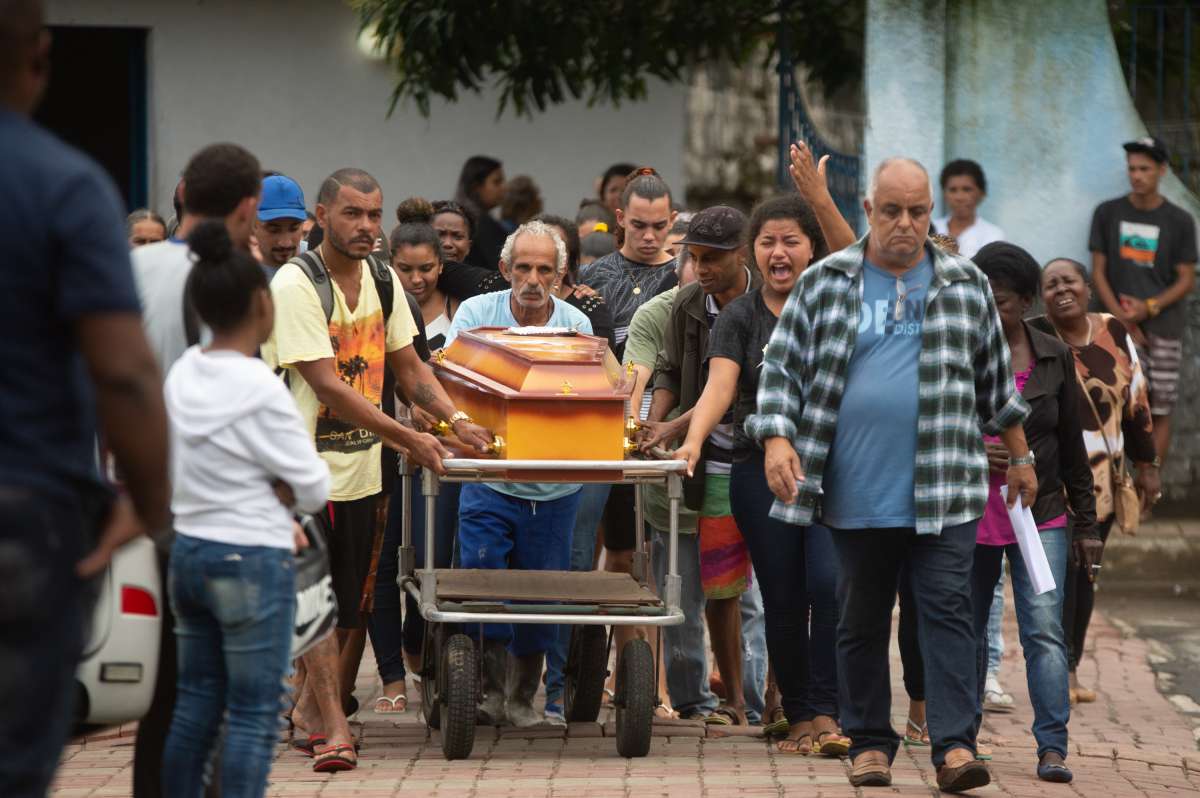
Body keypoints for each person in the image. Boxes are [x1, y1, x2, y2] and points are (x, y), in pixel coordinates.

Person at [747, 157, 1037, 792]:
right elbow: (781, 370)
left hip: (946, 486)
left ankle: (955, 748)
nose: (905, 223)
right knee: (860, 619)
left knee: (948, 616)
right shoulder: (825, 282)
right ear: (869, 210)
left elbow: (995, 382)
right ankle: (870, 745)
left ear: (931, 212)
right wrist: (776, 440)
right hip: (857, 491)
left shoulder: (965, 283)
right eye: (892, 211)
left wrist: (1020, 457)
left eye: (917, 211)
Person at [266, 167, 491, 770]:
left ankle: (308, 713)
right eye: (352, 214)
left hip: (366, 472)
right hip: (301, 472)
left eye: (373, 214)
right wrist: (409, 438)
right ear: (321, 217)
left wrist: (455, 422)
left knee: (350, 605)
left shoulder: (384, 280)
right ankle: (334, 725)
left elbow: (412, 370)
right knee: (315, 603)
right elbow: (327, 386)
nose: (366, 226)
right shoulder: (295, 284)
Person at [0, 3, 170, 793]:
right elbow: (125, 372)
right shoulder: (63, 186)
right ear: (40, 55)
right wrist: (149, 503)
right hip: (24, 513)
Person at [671, 189, 854, 754]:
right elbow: (719, 387)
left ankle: (829, 711)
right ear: (752, 252)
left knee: (829, 586)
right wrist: (693, 442)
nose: (779, 253)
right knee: (783, 595)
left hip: (833, 468)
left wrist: (821, 199)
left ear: (811, 249)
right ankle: (799, 715)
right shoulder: (739, 316)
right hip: (759, 472)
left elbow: (856, 256)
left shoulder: (836, 302)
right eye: (767, 242)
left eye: (790, 241)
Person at [161, 220, 330, 795]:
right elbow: (313, 486)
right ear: (262, 303)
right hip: (251, 559)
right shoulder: (259, 385)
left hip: (190, 552)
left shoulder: (184, 371)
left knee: (195, 704)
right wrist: (277, 490)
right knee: (254, 711)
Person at [130, 141, 263, 798]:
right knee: (212, 692)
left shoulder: (127, 266)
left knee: (162, 695)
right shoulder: (229, 281)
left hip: (126, 504)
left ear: (181, 193)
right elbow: (238, 404)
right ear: (248, 207)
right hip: (208, 512)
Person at [444, 220, 592, 728]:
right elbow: (452, 381)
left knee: (543, 593)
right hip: (489, 478)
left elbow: (587, 397)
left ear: (561, 274)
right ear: (505, 268)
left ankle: (524, 697)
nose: (533, 280)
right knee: (482, 580)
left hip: (555, 486)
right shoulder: (475, 313)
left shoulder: (577, 324)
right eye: (523, 267)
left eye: (545, 270)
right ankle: (487, 692)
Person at [967, 243, 1099, 784]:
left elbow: (1072, 445)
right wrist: (978, 450)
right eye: (982, 299)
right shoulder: (961, 350)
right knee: (968, 628)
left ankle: (1052, 747)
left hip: (1039, 513)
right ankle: (961, 742)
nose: (989, 310)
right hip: (971, 512)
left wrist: (1087, 524)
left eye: (1000, 301)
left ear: (1025, 302)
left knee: (1044, 630)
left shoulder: (1053, 354)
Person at [640, 206, 762, 726]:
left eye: (713, 258)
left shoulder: (772, 299)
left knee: (775, 589)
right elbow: (670, 371)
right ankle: (731, 701)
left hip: (765, 454)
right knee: (720, 585)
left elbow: (726, 388)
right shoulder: (687, 302)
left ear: (743, 253)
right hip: (710, 460)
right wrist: (655, 423)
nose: (702, 268)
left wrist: (676, 429)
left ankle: (772, 700)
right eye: (695, 257)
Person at [1033, 258, 1158, 705]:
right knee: (1062, 573)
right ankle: (1058, 672)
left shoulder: (1113, 330)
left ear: (1087, 287)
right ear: (1042, 297)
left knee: (1087, 575)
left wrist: (1147, 465)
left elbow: (1137, 399)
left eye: (1069, 281)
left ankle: (1070, 665)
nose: (1061, 290)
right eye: (1051, 285)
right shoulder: (1036, 337)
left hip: (1103, 482)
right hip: (1053, 480)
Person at [1088, 136, 1196, 468]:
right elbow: (1098, 272)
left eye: (1145, 169)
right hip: (1112, 329)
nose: (1137, 175)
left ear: (1162, 170)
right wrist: (1121, 319)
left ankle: (1149, 485)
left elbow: (1186, 279)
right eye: (1132, 168)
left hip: (1163, 329)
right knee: (1112, 404)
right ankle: (1114, 487)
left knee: (1159, 408)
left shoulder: (1180, 220)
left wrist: (1147, 308)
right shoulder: (1108, 212)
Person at [582, 167, 679, 359]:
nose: (649, 236)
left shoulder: (684, 277)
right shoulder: (590, 275)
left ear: (672, 220)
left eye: (659, 225)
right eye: (639, 225)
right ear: (621, 218)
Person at [392, 197, 459, 350]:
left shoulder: (460, 312)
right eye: (405, 269)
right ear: (391, 265)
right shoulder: (378, 309)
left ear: (440, 265)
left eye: (426, 268)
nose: (416, 279)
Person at [932, 159, 1004, 258]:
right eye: (953, 190)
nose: (959, 197)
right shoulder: (931, 229)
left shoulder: (993, 236)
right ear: (944, 194)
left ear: (981, 194)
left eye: (967, 189)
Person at [454, 155, 508, 271]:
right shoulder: (479, 224)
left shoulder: (461, 218)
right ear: (476, 187)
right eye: (497, 182)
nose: (503, 188)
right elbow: (502, 267)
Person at [255, 173, 308, 278]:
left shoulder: (321, 262)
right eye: (274, 230)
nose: (286, 243)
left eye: (294, 229)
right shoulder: (235, 271)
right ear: (253, 224)